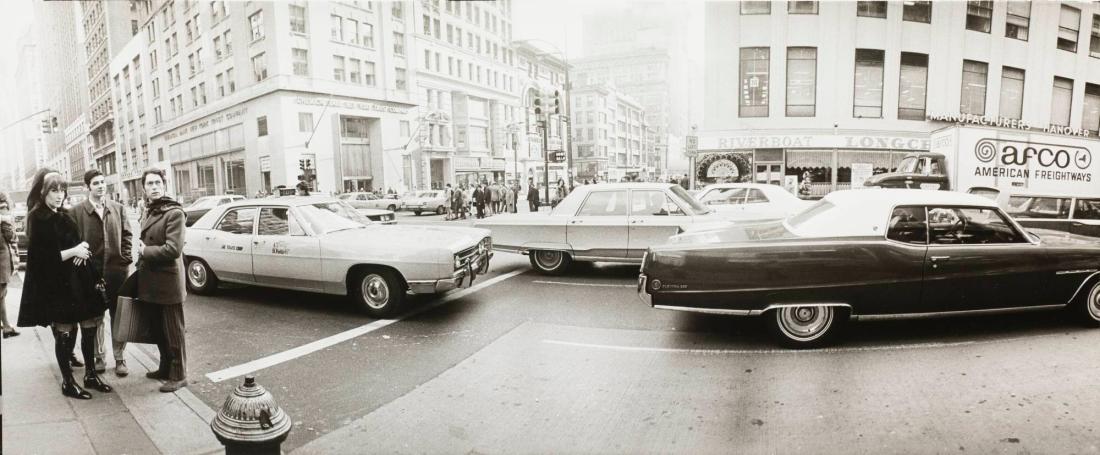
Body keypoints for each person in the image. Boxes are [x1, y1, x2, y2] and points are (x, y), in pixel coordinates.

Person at [17, 169, 111, 399]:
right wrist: (73, 252)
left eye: (62, 190)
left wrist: (83, 249)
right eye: (54, 190)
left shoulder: (63, 213)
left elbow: (78, 241)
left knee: (90, 325)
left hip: (79, 280)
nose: (60, 195)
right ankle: (68, 382)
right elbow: (42, 259)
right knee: (65, 332)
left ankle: (90, 374)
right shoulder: (37, 217)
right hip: (58, 284)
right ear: (43, 192)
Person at [70, 169, 133, 377]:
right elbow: (72, 240)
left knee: (118, 315)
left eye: (102, 182)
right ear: (87, 187)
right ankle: (99, 356)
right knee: (95, 317)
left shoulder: (118, 208)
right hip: (91, 273)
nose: (100, 186)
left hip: (117, 272)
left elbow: (127, 235)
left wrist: (125, 257)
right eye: (96, 183)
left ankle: (120, 358)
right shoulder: (77, 212)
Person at [135, 168, 189, 393]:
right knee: (158, 329)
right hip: (151, 281)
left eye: (158, 182)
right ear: (144, 189)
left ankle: (179, 374)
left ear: (164, 185)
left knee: (173, 330)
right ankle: (165, 366)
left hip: (168, 282)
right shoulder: (150, 210)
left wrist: (145, 251)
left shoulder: (174, 212)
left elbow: (173, 249)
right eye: (150, 184)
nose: (154, 187)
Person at [1, 192, 19, 338]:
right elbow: (10, 236)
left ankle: (5, 324)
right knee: (1, 294)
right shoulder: (4, 213)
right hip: (2, 260)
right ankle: (6, 326)